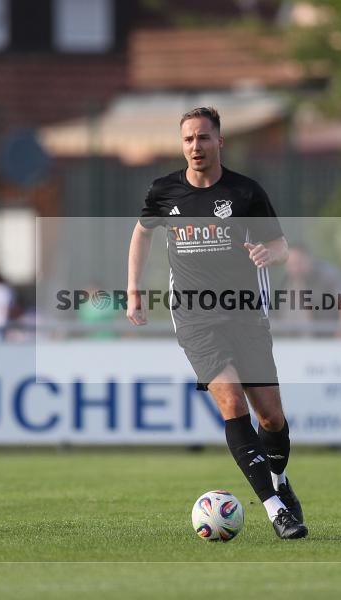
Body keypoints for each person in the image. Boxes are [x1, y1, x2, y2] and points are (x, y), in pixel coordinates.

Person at [126, 107, 307, 539]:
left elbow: (281, 245)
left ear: (219, 142)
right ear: (182, 144)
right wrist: (133, 288)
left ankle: (280, 482)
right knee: (231, 404)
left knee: (273, 420)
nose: (195, 146)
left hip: (246, 314)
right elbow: (142, 231)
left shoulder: (245, 193)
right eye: (188, 139)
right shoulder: (164, 191)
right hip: (194, 317)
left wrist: (271, 255)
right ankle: (275, 509)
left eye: (203, 138)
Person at [281, 243, 341, 336]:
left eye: (298, 263)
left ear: (308, 259)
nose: (294, 269)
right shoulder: (290, 282)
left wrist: (340, 338)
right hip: (314, 343)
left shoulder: (328, 275)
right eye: (290, 265)